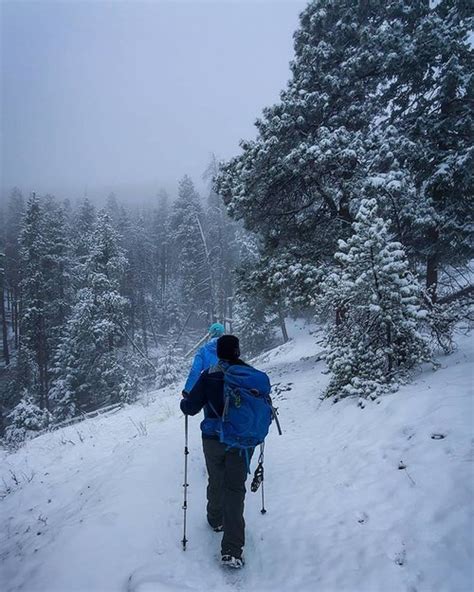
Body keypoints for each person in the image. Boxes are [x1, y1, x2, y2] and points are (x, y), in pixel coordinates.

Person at [180, 335, 252, 569]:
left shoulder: (209, 374)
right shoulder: (248, 373)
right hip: (241, 442)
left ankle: (215, 518)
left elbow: (190, 408)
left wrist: (184, 403)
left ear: (218, 352)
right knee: (235, 488)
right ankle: (232, 550)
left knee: (216, 479)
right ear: (237, 351)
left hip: (213, 438)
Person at [182, 322, 225, 395]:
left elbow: (195, 371)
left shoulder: (203, 350)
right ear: (222, 333)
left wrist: (187, 390)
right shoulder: (229, 348)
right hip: (227, 389)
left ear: (211, 333)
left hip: (209, 390)